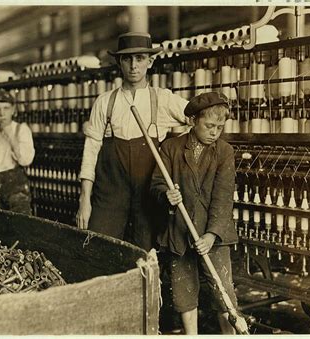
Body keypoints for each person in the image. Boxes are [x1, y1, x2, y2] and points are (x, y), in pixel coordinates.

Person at [75, 32, 189, 251]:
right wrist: (84, 201)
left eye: (139, 58)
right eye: (127, 59)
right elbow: (90, 152)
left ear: (150, 61)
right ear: (119, 62)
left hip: (148, 195)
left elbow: (198, 115)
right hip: (110, 193)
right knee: (99, 246)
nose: (134, 65)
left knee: (146, 253)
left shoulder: (162, 99)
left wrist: (175, 151)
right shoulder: (104, 102)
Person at [150, 92, 240, 334]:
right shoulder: (171, 147)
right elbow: (157, 184)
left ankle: (230, 334)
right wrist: (166, 196)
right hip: (179, 231)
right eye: (209, 126)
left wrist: (212, 235)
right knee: (184, 292)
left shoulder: (224, 152)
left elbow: (223, 199)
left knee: (223, 292)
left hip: (215, 236)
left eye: (219, 127)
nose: (214, 132)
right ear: (193, 121)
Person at [0, 89, 35, 214]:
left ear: (13, 110)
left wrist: (11, 137)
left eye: (6, 108)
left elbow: (26, 160)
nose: (2, 113)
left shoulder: (21, 129)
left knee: (20, 220)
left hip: (15, 185)